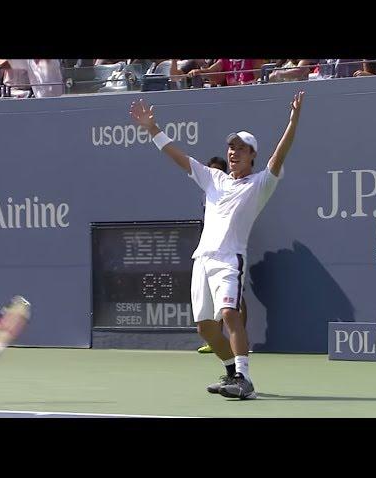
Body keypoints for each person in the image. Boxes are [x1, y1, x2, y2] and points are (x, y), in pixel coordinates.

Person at [129, 91, 305, 399]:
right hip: (203, 260)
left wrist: (292, 121)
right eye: (231, 147)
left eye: (241, 148)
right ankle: (230, 373)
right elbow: (178, 156)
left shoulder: (260, 184)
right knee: (205, 328)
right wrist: (153, 129)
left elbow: (280, 155)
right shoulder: (213, 178)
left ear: (253, 155)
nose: (234, 152)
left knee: (229, 315)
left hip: (229, 259)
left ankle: (245, 379)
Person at [197, 156, 248, 354]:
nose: (214, 173)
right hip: (210, 252)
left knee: (234, 302)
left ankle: (240, 337)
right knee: (211, 308)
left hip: (231, 253)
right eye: (212, 170)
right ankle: (216, 341)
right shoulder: (208, 193)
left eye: (218, 170)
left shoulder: (234, 188)